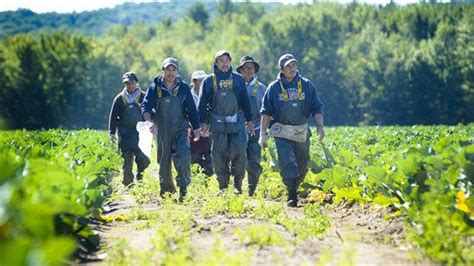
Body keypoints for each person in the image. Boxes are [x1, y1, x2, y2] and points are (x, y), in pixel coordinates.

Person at [259, 54, 324, 207]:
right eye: (288, 66)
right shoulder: (274, 88)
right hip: (282, 131)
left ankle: (295, 185)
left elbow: (317, 107)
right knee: (287, 161)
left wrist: (320, 127)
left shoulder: (307, 85)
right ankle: (291, 194)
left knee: (302, 164)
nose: (292, 69)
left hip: (301, 130)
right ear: (281, 69)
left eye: (293, 65)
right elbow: (266, 112)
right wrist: (262, 135)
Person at [141, 57, 201, 201]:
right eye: (168, 69)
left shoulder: (184, 87)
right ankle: (167, 191)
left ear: (177, 72)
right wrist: (149, 122)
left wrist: (197, 127)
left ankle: (183, 189)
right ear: (163, 70)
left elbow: (192, 109)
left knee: (184, 155)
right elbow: (146, 107)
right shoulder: (155, 87)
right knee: (164, 160)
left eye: (174, 70)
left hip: (180, 127)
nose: (171, 73)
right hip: (162, 129)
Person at [198, 50, 255, 194]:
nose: (224, 63)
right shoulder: (208, 81)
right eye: (220, 60)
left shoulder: (238, 79)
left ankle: (237, 185)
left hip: (237, 123)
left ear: (230, 62)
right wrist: (203, 123)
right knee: (218, 155)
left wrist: (249, 120)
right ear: (216, 63)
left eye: (226, 60)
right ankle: (223, 187)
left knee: (240, 153)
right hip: (217, 124)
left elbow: (245, 101)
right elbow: (202, 103)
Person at [108, 71, 150, 186]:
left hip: (141, 134)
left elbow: (150, 112)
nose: (129, 85)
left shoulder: (143, 96)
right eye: (127, 83)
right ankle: (129, 184)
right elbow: (112, 117)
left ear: (136, 82)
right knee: (126, 162)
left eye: (131, 83)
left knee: (144, 159)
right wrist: (111, 133)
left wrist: (152, 125)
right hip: (125, 134)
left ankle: (140, 173)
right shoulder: (119, 98)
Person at [236, 55, 266, 196]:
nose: (249, 70)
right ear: (240, 70)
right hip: (237, 129)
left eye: (251, 68)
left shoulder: (262, 89)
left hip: (256, 129)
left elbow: (266, 112)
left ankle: (252, 189)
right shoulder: (235, 86)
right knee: (239, 159)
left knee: (254, 160)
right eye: (245, 68)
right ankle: (238, 187)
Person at [189, 70, 214, 177]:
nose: (202, 82)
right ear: (194, 81)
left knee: (209, 159)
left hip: (208, 131)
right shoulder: (189, 95)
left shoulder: (210, 94)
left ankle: (206, 181)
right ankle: (196, 182)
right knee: (194, 158)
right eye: (200, 80)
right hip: (193, 131)